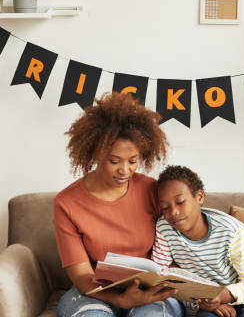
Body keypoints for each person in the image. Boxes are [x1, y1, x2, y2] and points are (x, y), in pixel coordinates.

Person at [54, 92, 185, 317]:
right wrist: (121, 300)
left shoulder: (152, 190)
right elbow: (83, 278)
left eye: (133, 161)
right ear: (95, 153)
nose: (125, 170)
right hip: (95, 292)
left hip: (150, 292)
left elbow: (186, 239)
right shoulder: (67, 204)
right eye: (114, 161)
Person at [152, 165, 244, 317]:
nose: (173, 212)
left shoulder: (231, 231)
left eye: (180, 202)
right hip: (212, 297)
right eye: (165, 207)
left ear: (199, 197)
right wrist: (212, 302)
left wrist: (222, 296)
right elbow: (160, 275)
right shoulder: (164, 227)